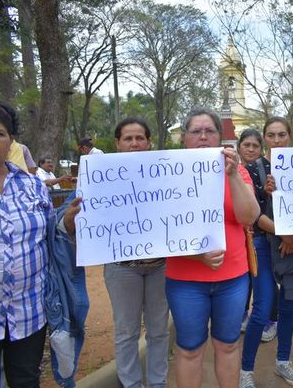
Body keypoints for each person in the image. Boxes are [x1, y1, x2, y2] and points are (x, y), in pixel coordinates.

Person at [0, 99, 81, 388]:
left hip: (29, 312)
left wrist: (67, 222)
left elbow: (50, 234)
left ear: (11, 143)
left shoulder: (32, 186)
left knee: (26, 380)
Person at [165, 108, 259, 388]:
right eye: (196, 131)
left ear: (220, 136)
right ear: (184, 138)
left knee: (228, 345)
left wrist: (231, 176)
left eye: (210, 131)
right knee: (190, 349)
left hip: (233, 278)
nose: (203, 137)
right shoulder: (167, 171)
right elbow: (160, 229)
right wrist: (196, 254)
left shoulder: (237, 169)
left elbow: (248, 217)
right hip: (185, 280)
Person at [103, 117, 170, 388]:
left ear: (148, 142)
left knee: (159, 331)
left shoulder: (166, 172)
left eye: (140, 138)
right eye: (128, 139)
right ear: (118, 143)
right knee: (126, 331)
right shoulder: (101, 176)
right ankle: (131, 384)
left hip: (159, 266)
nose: (134, 143)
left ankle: (157, 384)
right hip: (121, 267)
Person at [240, 117, 293, 388]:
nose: (277, 140)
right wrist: (284, 232)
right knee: (263, 306)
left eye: (282, 134)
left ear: (290, 136)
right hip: (265, 245)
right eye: (271, 135)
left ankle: (283, 361)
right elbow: (253, 215)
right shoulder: (255, 169)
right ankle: (246, 371)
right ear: (265, 138)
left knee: (288, 305)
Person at [237, 129, 279, 342]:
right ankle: (242, 315)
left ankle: (270, 319)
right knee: (242, 279)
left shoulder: (267, 170)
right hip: (238, 238)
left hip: (262, 235)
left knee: (264, 279)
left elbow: (261, 207)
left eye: (255, 146)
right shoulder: (231, 171)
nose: (251, 149)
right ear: (239, 147)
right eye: (247, 145)